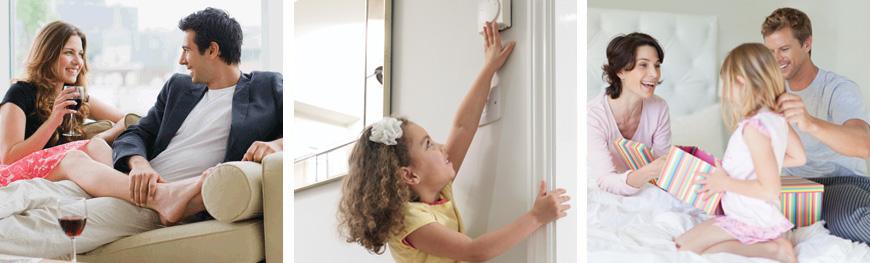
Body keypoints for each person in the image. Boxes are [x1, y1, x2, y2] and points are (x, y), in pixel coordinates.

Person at [0, 7, 282, 258]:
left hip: (181, 199)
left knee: (40, 223)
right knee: (29, 190)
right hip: (133, 184)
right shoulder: (178, 88)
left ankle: (167, 198)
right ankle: (163, 195)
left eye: (187, 50)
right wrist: (139, 165)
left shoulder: (267, 87)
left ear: (212, 50)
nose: (182, 60)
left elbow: (297, 132)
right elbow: (137, 133)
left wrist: (279, 144)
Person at [337, 22, 569, 262]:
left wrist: (489, 68)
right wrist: (536, 217)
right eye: (428, 144)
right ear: (410, 175)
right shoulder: (409, 220)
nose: (440, 146)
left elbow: (463, 127)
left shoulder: (439, 189)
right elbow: (474, 251)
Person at [675, 43, 805, 263]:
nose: (724, 90)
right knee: (682, 244)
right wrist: (744, 167)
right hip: (753, 214)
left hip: (749, 217)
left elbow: (770, 190)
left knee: (683, 249)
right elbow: (799, 157)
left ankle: (775, 250)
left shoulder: (754, 128)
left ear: (741, 82)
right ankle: (771, 244)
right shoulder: (777, 118)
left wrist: (724, 183)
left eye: (726, 82)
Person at [761, 7, 870, 243]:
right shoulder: (769, 92)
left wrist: (810, 123)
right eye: (770, 51)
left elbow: (864, 144)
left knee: (848, 216)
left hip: (843, 182)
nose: (776, 58)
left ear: (807, 44)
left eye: (784, 49)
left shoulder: (838, 89)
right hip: (795, 188)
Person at [0, 21, 126, 186]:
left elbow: (126, 119)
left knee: (96, 145)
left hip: (58, 168)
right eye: (69, 53)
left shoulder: (76, 95)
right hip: (15, 174)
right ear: (47, 55)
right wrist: (53, 121)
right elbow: (9, 158)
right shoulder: (20, 92)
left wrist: (102, 136)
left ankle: (141, 191)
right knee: (75, 157)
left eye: (80, 54)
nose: (78, 61)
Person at [588, 32, 671, 196]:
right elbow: (605, 179)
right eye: (643, 65)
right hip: (601, 187)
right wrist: (648, 172)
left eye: (657, 65)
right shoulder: (593, 116)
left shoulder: (659, 107)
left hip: (645, 186)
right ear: (620, 71)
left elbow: (662, 166)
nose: (654, 74)